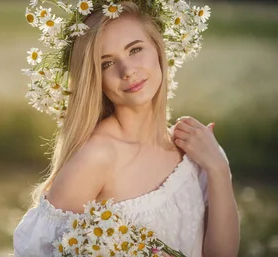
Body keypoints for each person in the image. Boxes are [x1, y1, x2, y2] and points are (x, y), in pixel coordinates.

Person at [14, 1, 240, 256]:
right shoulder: (96, 157)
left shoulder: (195, 149)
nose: (128, 71)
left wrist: (218, 168)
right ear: (95, 79)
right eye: (107, 63)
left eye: (135, 50)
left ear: (158, 48)